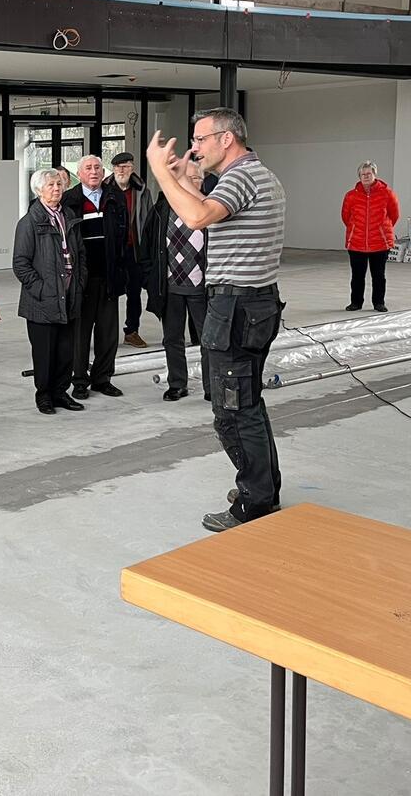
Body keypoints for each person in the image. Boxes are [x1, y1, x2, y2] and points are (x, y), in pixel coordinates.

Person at [146, 107, 287, 533]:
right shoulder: (253, 174)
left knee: (232, 410)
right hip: (253, 304)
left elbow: (195, 216)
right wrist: (182, 179)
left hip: (237, 307)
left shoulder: (241, 177)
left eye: (201, 139)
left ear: (227, 139)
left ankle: (255, 502)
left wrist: (160, 172)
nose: (195, 147)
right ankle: (263, 487)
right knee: (248, 404)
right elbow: (202, 206)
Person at [13, 168, 86, 415]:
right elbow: (20, 264)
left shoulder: (68, 215)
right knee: (45, 353)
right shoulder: (29, 222)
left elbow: (80, 254)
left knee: (66, 351)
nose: (57, 189)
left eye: (59, 184)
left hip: (69, 296)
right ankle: (43, 395)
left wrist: (80, 282)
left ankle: (60, 392)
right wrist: (42, 290)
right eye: (51, 185)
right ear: (39, 190)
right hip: (42, 301)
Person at [61, 155, 130, 400]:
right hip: (82, 280)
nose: (94, 172)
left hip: (109, 277)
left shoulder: (115, 196)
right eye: (88, 168)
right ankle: (79, 380)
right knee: (80, 334)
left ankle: (102, 379)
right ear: (78, 174)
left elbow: (123, 237)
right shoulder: (69, 200)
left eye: (98, 168)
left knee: (108, 334)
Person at [145, 158, 211, 403]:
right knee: (172, 338)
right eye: (190, 177)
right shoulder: (162, 209)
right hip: (170, 287)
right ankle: (177, 384)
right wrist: (149, 278)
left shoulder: (208, 207)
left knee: (208, 339)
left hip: (201, 288)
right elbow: (148, 246)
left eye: (198, 178)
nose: (196, 182)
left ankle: (211, 386)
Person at [103, 151, 157, 348]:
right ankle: (105, 334)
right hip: (112, 251)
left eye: (125, 166)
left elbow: (149, 222)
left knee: (134, 294)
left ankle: (131, 331)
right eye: (117, 167)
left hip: (134, 250)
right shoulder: (104, 189)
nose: (121, 170)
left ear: (132, 168)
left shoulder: (141, 190)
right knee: (107, 293)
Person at [341, 160, 399, 313]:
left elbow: (394, 215)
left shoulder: (387, 194)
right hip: (356, 242)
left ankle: (379, 303)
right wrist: (356, 230)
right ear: (359, 176)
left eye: (369, 173)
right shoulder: (351, 196)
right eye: (363, 174)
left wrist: (380, 230)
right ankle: (356, 303)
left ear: (375, 175)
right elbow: (346, 217)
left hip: (380, 242)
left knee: (379, 276)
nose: (366, 176)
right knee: (357, 276)